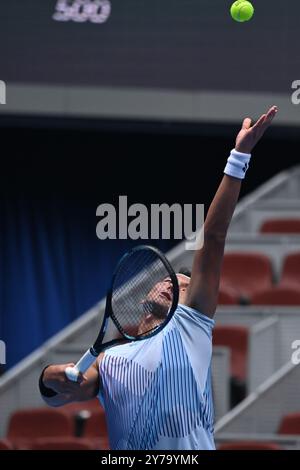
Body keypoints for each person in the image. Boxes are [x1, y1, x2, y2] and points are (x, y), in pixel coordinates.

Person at [39, 105, 278, 450]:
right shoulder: (109, 360)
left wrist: (238, 156)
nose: (172, 285)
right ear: (142, 296)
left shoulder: (192, 325)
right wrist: (51, 377)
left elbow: (212, 237)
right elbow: (61, 395)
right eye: (168, 281)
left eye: (182, 288)